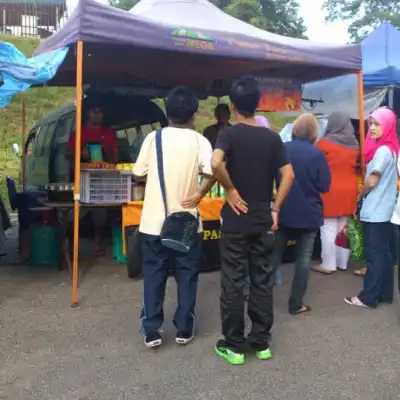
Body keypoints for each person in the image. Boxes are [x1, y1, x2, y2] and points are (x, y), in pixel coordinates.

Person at [211, 76, 294, 365]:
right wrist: (276, 209)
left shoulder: (229, 134)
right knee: (262, 281)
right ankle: (261, 343)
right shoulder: (272, 138)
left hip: (235, 220)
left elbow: (214, 162)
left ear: (232, 106)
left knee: (233, 283)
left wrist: (231, 190)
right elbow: (289, 175)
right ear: (258, 105)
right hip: (262, 218)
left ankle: (234, 346)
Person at [133, 86, 215, 348]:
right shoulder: (200, 141)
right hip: (188, 222)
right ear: (194, 113)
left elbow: (138, 173)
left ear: (167, 111)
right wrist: (200, 193)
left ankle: (152, 329)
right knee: (187, 275)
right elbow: (214, 171)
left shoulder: (152, 139)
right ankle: (184, 328)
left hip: (153, 223)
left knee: (154, 275)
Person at [269, 114, 331, 314]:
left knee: (273, 256)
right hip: (309, 214)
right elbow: (324, 186)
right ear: (314, 133)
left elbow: (272, 177)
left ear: (294, 130)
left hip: (283, 210)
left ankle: (260, 297)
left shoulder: (282, 149)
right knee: (303, 261)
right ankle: (296, 304)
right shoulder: (317, 154)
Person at [345, 107, 399, 308]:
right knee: (384, 254)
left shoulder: (383, 151)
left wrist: (361, 193)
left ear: (388, 126)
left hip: (376, 210)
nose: (373, 128)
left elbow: (373, 180)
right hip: (384, 210)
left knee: (374, 256)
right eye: (372, 124)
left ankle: (368, 297)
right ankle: (384, 294)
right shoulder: (392, 149)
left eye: (378, 124)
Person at [66, 102, 118, 256]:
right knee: (73, 215)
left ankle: (96, 244)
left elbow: (115, 156)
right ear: (87, 113)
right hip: (81, 179)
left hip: (101, 179)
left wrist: (107, 159)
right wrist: (79, 154)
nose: (97, 114)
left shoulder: (108, 133)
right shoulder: (78, 134)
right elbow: (66, 154)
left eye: (100, 111)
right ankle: (70, 247)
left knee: (100, 216)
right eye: (94, 110)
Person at [311, 111, 359, 275]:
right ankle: (342, 262)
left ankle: (328, 264)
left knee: (328, 228)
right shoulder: (355, 145)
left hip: (330, 189)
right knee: (344, 227)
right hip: (350, 189)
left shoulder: (323, 144)